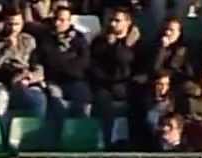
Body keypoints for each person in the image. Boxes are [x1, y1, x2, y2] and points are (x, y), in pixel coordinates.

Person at [0, 8, 47, 120]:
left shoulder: (28, 40)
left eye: (17, 24)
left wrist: (30, 77)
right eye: (10, 24)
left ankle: (35, 131)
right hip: (2, 79)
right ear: (4, 23)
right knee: (0, 98)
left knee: (39, 98)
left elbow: (38, 65)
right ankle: (2, 133)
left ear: (22, 23)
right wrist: (6, 49)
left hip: (25, 79)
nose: (13, 28)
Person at [88, 7, 137, 139]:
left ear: (128, 22)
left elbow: (126, 61)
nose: (112, 24)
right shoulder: (100, 42)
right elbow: (93, 66)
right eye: (111, 20)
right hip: (104, 85)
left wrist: (121, 46)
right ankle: (107, 144)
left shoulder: (136, 44)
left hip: (127, 85)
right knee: (104, 101)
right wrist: (110, 45)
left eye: (117, 20)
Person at [39, 5, 91, 117]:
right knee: (55, 100)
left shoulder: (79, 39)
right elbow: (47, 60)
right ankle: (57, 133)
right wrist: (69, 59)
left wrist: (61, 62)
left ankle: (79, 132)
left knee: (83, 99)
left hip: (74, 80)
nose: (57, 23)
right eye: (56, 19)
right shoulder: (46, 38)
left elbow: (84, 61)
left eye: (62, 20)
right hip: (53, 81)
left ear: (69, 21)